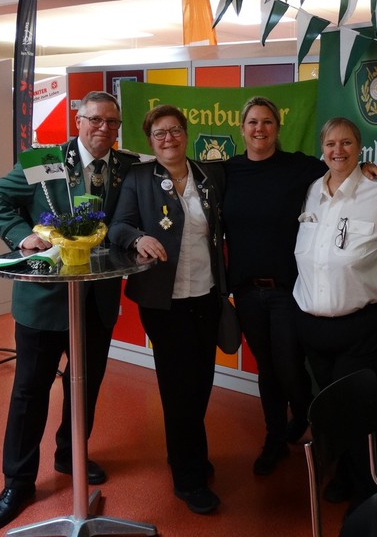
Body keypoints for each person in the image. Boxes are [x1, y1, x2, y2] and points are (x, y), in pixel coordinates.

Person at [0, 91, 138, 532]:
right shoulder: (45, 161)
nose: (104, 128)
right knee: (29, 392)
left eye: (112, 122)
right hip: (44, 300)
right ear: (78, 120)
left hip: (97, 300)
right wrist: (22, 236)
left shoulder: (125, 168)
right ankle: (17, 483)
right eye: (95, 120)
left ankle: (71, 455)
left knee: (83, 385)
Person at [222, 97, 377, 476]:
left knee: (289, 367)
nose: (260, 129)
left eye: (267, 122)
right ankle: (274, 439)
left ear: (277, 128)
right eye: (253, 122)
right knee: (267, 369)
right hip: (246, 292)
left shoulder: (300, 168)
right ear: (242, 128)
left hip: (287, 291)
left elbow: (341, 165)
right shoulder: (227, 171)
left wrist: (366, 166)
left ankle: (303, 418)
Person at [108, 104, 225, 515]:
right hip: (164, 302)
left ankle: (187, 454)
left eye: (175, 130)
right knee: (178, 389)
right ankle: (188, 480)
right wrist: (137, 238)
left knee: (202, 383)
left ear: (186, 133)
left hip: (206, 296)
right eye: (159, 133)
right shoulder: (139, 178)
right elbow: (117, 227)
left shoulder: (210, 175)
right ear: (150, 140)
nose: (168, 139)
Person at [293, 117, 377, 505]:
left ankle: (367, 496)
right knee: (330, 414)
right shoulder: (313, 191)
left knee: (359, 415)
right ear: (322, 148)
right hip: (315, 329)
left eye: (346, 143)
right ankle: (343, 476)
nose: (337, 150)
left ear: (360, 148)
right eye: (330, 143)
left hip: (364, 329)